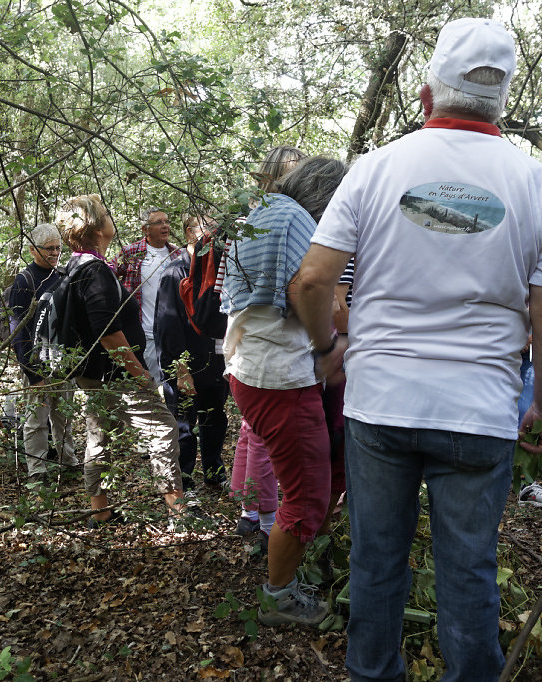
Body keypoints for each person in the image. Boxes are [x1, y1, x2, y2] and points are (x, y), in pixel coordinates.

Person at [290, 18, 542, 681]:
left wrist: (328, 345)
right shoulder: (538, 185)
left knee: (376, 559)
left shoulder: (376, 168)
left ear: (428, 95)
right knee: (469, 567)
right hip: (480, 409)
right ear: (503, 99)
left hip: (381, 403)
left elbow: (311, 279)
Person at [221, 155, 348, 626]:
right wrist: (327, 343)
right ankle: (280, 595)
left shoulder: (266, 210)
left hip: (257, 366)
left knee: (311, 482)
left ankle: (291, 571)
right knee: (308, 493)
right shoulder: (294, 217)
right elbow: (305, 287)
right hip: (280, 375)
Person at [55, 195, 188, 528]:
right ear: (97, 227)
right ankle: (179, 513)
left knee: (99, 436)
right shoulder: (95, 271)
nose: (113, 220)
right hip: (114, 374)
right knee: (163, 427)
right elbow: (108, 334)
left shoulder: (76, 263)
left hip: (92, 373)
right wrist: (139, 372)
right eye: (107, 215)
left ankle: (100, 511)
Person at [224, 145, 307, 550]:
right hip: (271, 353)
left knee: (251, 434)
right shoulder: (289, 221)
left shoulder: (246, 223)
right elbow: (297, 291)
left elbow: (234, 294)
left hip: (245, 350)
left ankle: (250, 511)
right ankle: (265, 518)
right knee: (261, 440)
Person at [153, 213, 229, 491]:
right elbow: (168, 326)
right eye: (206, 228)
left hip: (216, 361)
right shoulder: (176, 272)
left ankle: (214, 471)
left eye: (215, 229)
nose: (212, 234)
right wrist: (180, 370)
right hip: (186, 365)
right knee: (184, 425)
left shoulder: (219, 269)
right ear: (189, 233)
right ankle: (184, 481)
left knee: (215, 418)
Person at [9, 223, 78, 483]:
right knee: (36, 419)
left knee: (64, 415)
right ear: (32, 250)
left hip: (63, 360)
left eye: (58, 248)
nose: (55, 253)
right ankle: (37, 471)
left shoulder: (63, 276)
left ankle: (68, 461)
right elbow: (18, 330)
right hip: (37, 363)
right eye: (49, 248)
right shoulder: (24, 281)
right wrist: (31, 371)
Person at [111, 207, 183, 385]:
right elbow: (107, 274)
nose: (165, 226)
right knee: (143, 387)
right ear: (145, 229)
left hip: (171, 336)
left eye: (167, 222)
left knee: (173, 387)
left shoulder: (177, 255)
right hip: (143, 334)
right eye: (159, 222)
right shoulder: (130, 253)